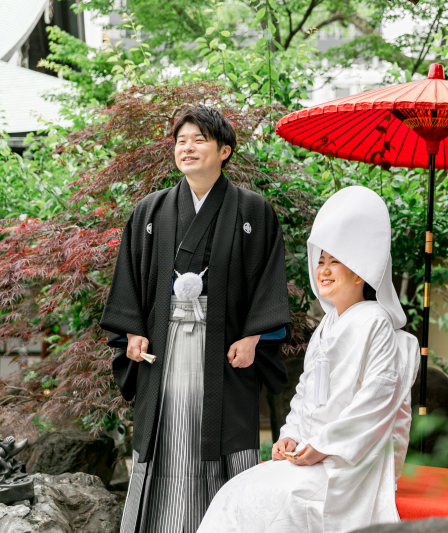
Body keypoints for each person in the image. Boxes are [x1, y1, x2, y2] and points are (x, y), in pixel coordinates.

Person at [99, 105, 292, 533]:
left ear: (224, 151)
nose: (186, 148)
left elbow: (269, 280)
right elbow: (129, 279)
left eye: (198, 140)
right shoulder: (150, 211)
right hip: (164, 345)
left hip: (225, 350)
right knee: (167, 435)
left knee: (225, 436)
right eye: (180, 140)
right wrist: (132, 332)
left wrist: (254, 338)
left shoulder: (253, 211)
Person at [198, 186, 420, 533]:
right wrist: (291, 435)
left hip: (350, 461)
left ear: (360, 271)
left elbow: (377, 400)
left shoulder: (375, 321)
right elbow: (306, 394)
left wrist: (324, 446)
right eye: (321, 261)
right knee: (235, 492)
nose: (324, 271)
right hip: (311, 451)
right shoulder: (327, 325)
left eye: (335, 262)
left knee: (284, 500)